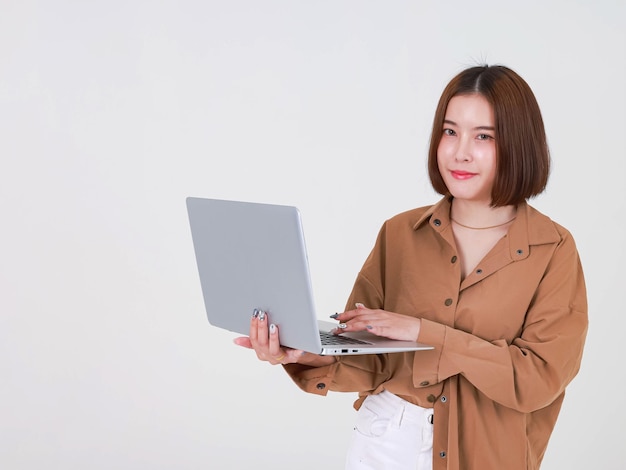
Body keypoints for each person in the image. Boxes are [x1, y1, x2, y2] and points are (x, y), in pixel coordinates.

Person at [234, 64, 588, 470]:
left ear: (520, 144)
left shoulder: (553, 250)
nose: (460, 152)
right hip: (385, 440)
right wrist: (304, 354)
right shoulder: (400, 233)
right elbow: (371, 359)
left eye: (484, 136)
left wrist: (426, 333)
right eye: (450, 131)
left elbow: (538, 379)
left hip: (487, 454)